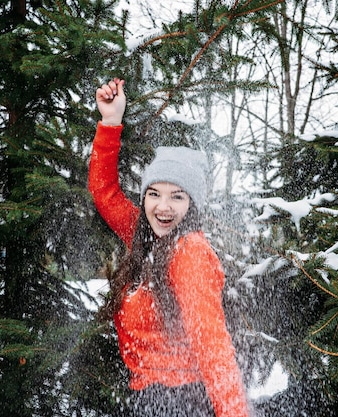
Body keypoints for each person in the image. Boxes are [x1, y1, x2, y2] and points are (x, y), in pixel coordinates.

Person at [88, 78, 250, 417]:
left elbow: (213, 346)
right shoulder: (144, 235)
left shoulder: (189, 252)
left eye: (177, 197)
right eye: (154, 193)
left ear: (193, 204)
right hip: (150, 400)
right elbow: (103, 192)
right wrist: (111, 120)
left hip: (183, 403)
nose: (163, 207)